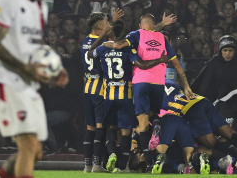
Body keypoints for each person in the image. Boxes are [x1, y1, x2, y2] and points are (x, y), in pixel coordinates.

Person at [0, 0, 68, 178]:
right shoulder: (8, 0)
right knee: (28, 145)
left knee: (35, 150)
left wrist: (52, 68)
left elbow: (33, 46)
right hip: (7, 80)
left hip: (26, 84)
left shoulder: (40, 7)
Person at [103, 13, 193, 171]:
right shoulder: (163, 39)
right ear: (153, 25)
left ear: (139, 25)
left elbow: (118, 44)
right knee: (154, 115)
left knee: (142, 123)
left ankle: (150, 162)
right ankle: (157, 124)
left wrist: (103, 43)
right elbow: (177, 65)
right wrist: (186, 85)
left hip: (140, 82)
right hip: (159, 82)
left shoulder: (136, 34)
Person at [89, 20, 169, 173]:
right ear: (124, 36)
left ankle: (111, 153)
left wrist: (101, 39)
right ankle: (122, 167)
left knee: (111, 128)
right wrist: (160, 59)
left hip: (108, 96)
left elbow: (89, 54)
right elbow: (142, 63)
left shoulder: (102, 49)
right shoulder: (129, 49)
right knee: (126, 131)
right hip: (125, 95)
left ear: (111, 34)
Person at [80, 10, 122, 173]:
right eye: (106, 22)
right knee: (99, 127)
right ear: (99, 26)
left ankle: (87, 165)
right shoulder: (101, 46)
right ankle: (97, 165)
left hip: (87, 89)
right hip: (99, 89)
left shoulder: (84, 41)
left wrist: (113, 21)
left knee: (90, 128)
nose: (108, 25)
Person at [191, 35, 237, 131]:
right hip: (223, 105)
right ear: (220, 51)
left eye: (230, 50)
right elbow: (203, 84)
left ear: (235, 51)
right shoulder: (214, 63)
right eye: (225, 50)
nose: (227, 53)